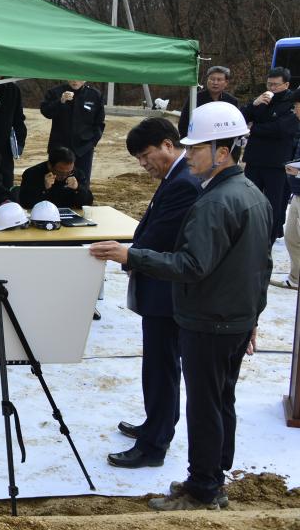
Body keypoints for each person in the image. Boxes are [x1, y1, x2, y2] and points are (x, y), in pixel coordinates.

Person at [90, 101, 271, 511]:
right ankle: (214, 476)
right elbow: (262, 266)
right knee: (221, 401)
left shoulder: (215, 202)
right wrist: (254, 318)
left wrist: (131, 256)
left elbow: (192, 265)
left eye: (195, 150)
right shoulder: (251, 194)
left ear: (222, 152)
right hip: (234, 318)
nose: (188, 157)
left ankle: (203, 488)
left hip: (209, 319)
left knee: (205, 405)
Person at [106, 118, 200, 470]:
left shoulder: (184, 183)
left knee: (162, 369)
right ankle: (154, 425)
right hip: (160, 288)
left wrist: (130, 256)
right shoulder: (174, 178)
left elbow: (160, 235)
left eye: (145, 155)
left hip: (168, 293)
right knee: (157, 366)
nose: (143, 164)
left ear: (167, 145)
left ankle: (154, 446)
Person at [240, 67, 297, 239]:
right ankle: (247, 234)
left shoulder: (292, 102)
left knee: (274, 204)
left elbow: (281, 129)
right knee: (249, 200)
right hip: (254, 160)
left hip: (277, 163)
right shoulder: (263, 99)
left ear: (286, 84)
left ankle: (270, 236)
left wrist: (253, 128)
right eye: (269, 83)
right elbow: (241, 118)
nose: (271, 88)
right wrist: (253, 104)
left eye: (276, 85)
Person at [40, 80, 105, 186]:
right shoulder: (55, 92)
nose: (75, 81)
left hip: (83, 149)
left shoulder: (94, 95)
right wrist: (60, 101)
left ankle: (80, 202)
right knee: (56, 181)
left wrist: (92, 142)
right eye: (72, 77)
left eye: (79, 78)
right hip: (59, 147)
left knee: (81, 183)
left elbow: (99, 122)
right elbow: (46, 112)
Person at [18, 146, 93, 209]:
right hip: (41, 217)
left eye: (69, 172)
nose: (64, 176)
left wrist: (78, 188)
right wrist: (43, 188)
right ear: (50, 165)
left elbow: (88, 202)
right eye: (60, 172)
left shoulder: (77, 174)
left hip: (68, 218)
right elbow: (25, 203)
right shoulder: (32, 174)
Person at [177, 65, 239, 134]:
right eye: (212, 79)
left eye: (219, 80)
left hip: (223, 143)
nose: (215, 83)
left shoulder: (231, 101)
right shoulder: (195, 98)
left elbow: (235, 127)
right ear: (207, 80)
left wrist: (227, 144)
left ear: (226, 82)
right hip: (198, 141)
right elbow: (183, 125)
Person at [279, 95, 300, 289]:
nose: (295, 110)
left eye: (297, 105)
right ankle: (295, 278)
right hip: (297, 192)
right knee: (292, 237)